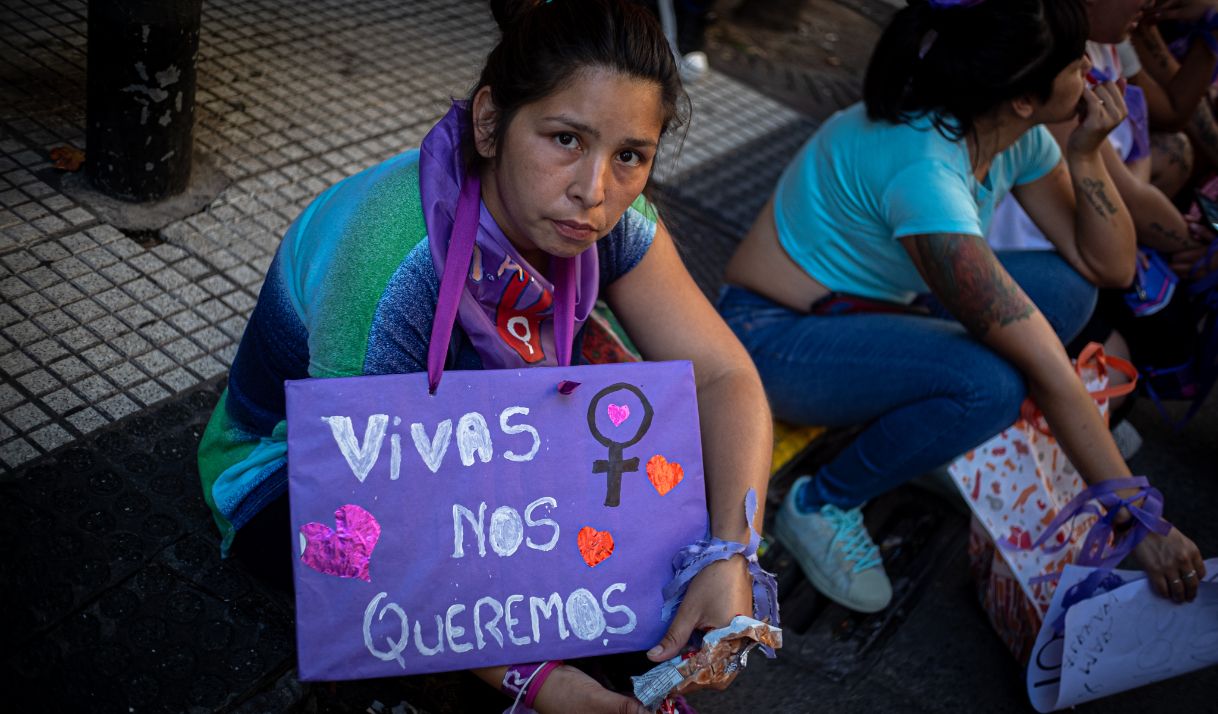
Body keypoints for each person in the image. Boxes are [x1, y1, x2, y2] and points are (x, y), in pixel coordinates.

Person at [196, 1, 774, 711]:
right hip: (299, 484)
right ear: (490, 121)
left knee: (663, 560)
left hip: (483, 455)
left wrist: (731, 552)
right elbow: (369, 524)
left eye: (630, 156)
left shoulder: (608, 221)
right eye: (565, 138)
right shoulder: (395, 264)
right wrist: (539, 683)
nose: (593, 192)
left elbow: (722, 375)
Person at [718, 0, 1206, 614]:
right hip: (769, 337)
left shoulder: (1004, 134)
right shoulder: (926, 174)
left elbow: (1109, 266)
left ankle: (927, 437)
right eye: (1074, 60)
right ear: (1024, 98)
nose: (1090, 66)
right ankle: (821, 504)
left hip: (865, 312)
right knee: (990, 385)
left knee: (1067, 290)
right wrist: (1136, 514)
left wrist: (1086, 155)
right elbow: (1049, 369)